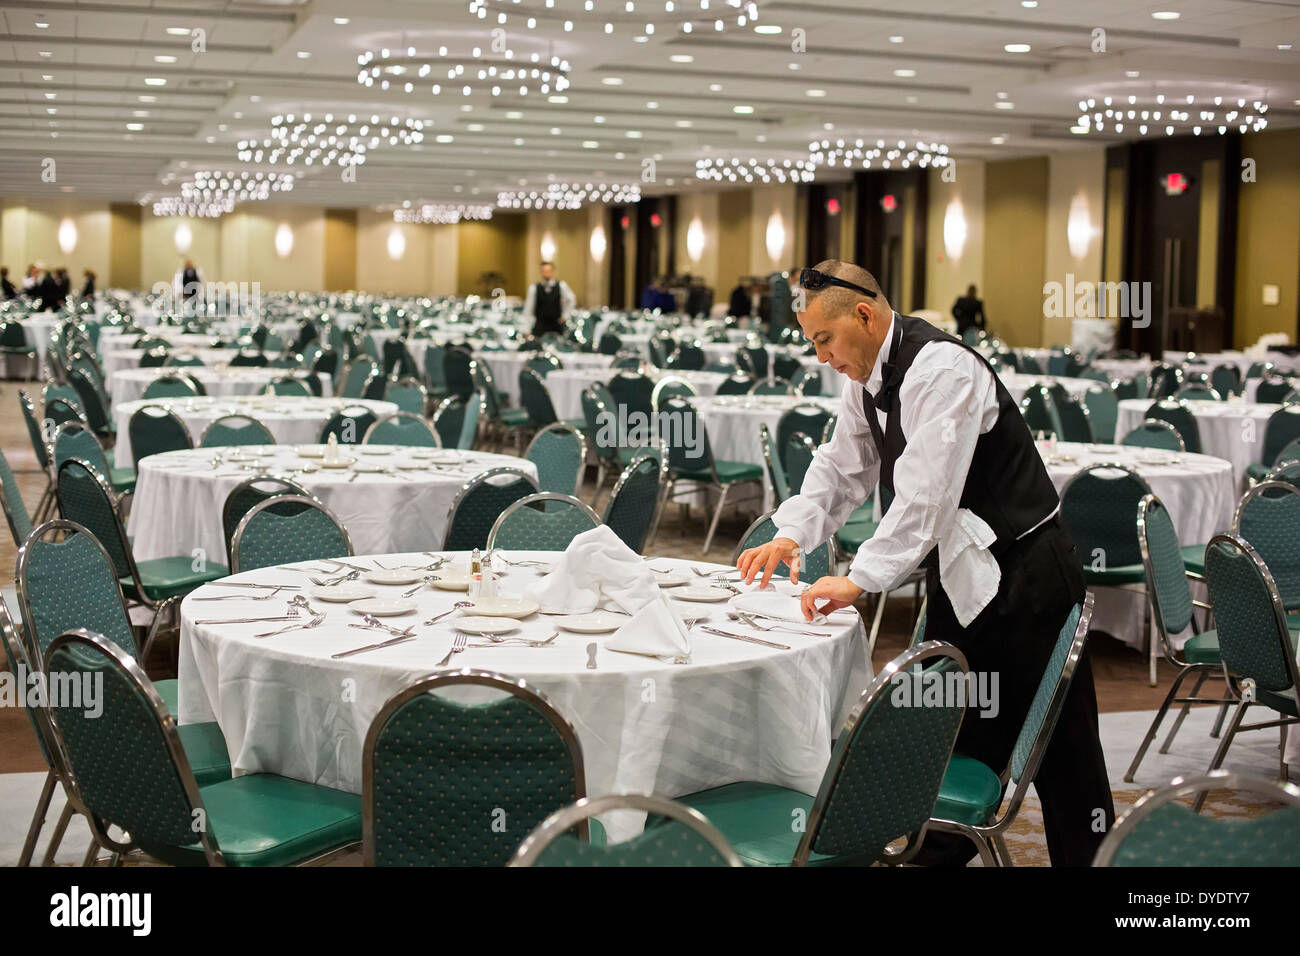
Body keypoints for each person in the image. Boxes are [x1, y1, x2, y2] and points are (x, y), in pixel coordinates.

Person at [736, 258, 1113, 867]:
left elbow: (926, 499)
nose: (822, 357)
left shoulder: (940, 369)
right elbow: (841, 466)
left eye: (824, 340)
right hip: (964, 575)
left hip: (1026, 576)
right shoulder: (865, 377)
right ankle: (938, 847)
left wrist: (860, 578)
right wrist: (792, 533)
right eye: (812, 344)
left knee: (1064, 758)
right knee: (953, 729)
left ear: (864, 314)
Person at [522, 261, 575, 337]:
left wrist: (565, 316)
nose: (546, 273)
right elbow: (528, 310)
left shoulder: (561, 286)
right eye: (544, 271)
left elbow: (571, 300)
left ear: (552, 272)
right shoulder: (534, 288)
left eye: (548, 271)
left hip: (556, 325)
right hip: (540, 326)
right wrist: (526, 329)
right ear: (541, 272)